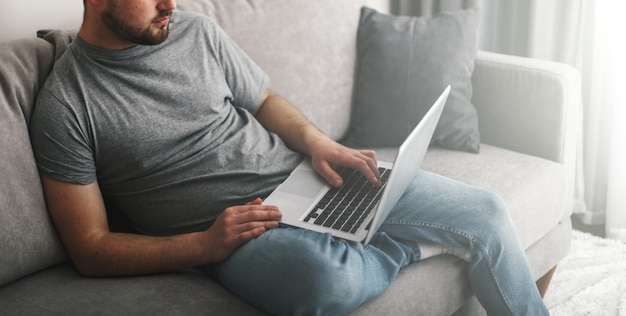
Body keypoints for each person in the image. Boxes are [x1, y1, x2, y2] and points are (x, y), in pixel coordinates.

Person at [29, 0, 549, 315]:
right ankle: (406, 248)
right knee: (327, 284)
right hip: (234, 234)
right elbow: (91, 249)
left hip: (303, 178)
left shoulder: (197, 33)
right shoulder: (66, 105)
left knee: (485, 212)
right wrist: (204, 245)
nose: (170, 5)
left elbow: (265, 100)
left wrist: (316, 141)